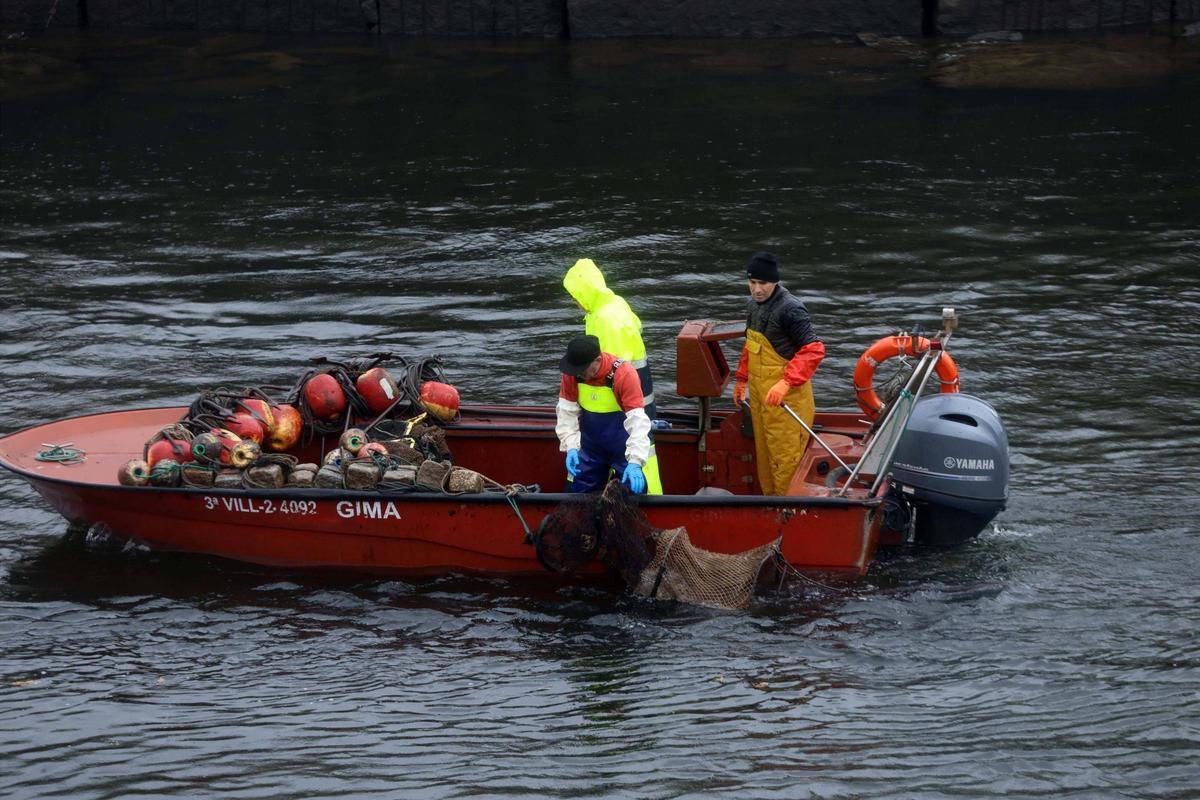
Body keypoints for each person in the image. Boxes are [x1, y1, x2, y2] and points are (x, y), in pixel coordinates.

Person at [732, 252, 825, 495]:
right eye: (752, 283)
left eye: (762, 283)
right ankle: (771, 509)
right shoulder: (752, 305)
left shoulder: (791, 309)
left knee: (786, 462)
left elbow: (813, 350)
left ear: (774, 282)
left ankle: (787, 516)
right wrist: (741, 380)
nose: (757, 289)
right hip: (763, 401)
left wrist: (786, 383)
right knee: (765, 460)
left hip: (787, 404)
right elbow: (751, 345)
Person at [555, 335, 663, 495]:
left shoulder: (623, 374)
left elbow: (638, 421)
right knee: (577, 494)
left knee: (631, 494)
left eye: (583, 370)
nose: (579, 374)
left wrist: (635, 461)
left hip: (623, 450)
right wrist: (570, 447)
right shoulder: (572, 373)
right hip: (589, 450)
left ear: (598, 360)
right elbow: (566, 412)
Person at [562, 258, 656, 421]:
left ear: (584, 294)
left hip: (620, 404)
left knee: (632, 437)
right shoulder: (616, 302)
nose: (575, 301)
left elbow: (611, 367)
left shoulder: (602, 319)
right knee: (644, 436)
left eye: (575, 296)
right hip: (641, 388)